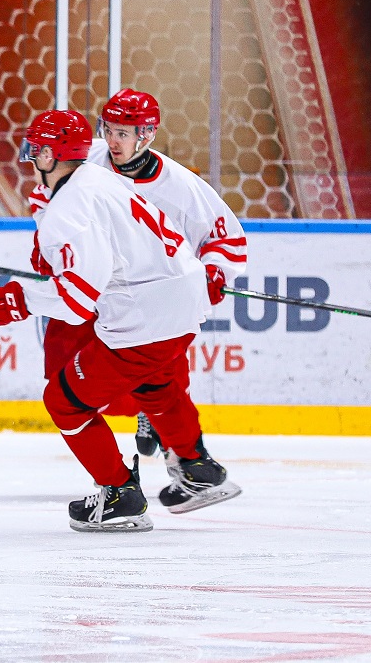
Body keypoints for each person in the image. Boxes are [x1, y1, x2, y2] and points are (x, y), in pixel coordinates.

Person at [0, 110, 238, 534]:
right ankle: (196, 466)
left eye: (38, 148)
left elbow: (78, 300)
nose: (31, 156)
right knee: (155, 384)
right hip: (183, 304)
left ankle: (118, 494)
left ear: (54, 154)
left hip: (145, 316)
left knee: (65, 400)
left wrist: (18, 301)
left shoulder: (70, 207)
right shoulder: (98, 178)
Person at [90, 88, 249, 465]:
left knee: (166, 374)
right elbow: (50, 186)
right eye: (108, 129)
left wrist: (215, 271)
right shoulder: (91, 162)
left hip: (162, 291)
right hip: (107, 288)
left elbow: (226, 235)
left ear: (146, 135)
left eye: (123, 133)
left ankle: (183, 458)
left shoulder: (180, 187)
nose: (112, 140)